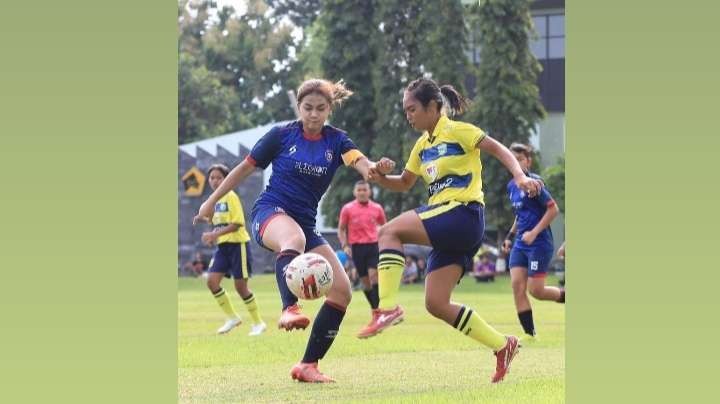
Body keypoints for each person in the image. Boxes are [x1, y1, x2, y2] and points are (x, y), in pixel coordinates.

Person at [194, 79, 381, 383]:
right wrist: (210, 201)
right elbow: (243, 168)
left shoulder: (337, 141)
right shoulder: (281, 135)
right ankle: (288, 308)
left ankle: (308, 365)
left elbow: (359, 162)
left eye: (321, 109)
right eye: (308, 108)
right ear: (299, 107)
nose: (314, 114)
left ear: (329, 109)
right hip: (269, 213)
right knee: (292, 238)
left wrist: (373, 168)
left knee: (342, 291)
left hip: (306, 224)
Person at [363, 78, 544, 383]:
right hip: (448, 223)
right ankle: (503, 345)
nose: (409, 115)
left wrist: (520, 177)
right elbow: (404, 183)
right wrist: (380, 177)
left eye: (413, 109)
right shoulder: (421, 146)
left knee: (388, 232)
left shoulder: (459, 131)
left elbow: (499, 150)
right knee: (436, 303)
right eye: (406, 110)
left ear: (434, 107)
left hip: (463, 213)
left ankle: (386, 308)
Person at [501, 143, 565, 344]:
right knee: (516, 286)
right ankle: (530, 334)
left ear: (528, 161)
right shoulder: (512, 186)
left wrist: (534, 232)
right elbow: (520, 215)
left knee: (536, 290)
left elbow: (553, 210)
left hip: (539, 243)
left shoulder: (535, 183)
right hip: (521, 244)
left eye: (520, 159)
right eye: (512, 159)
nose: (516, 163)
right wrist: (510, 237)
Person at [200, 164, 266, 336]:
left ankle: (258, 323)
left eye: (218, 178)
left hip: (238, 245)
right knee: (211, 282)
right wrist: (212, 235)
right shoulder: (213, 200)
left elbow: (237, 224)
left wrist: (214, 235)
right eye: (212, 178)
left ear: (226, 179)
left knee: (240, 287)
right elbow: (217, 225)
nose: (214, 181)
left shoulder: (230, 196)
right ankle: (232, 318)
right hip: (222, 247)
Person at [337, 180, 387, 337]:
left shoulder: (377, 208)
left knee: (373, 276)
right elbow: (341, 229)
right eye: (359, 190)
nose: (362, 192)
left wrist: (385, 242)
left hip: (373, 246)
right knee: (365, 282)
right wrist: (345, 245)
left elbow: (385, 227)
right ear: (355, 192)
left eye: (364, 189)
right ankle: (375, 311)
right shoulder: (348, 209)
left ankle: (378, 311)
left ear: (370, 192)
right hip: (357, 248)